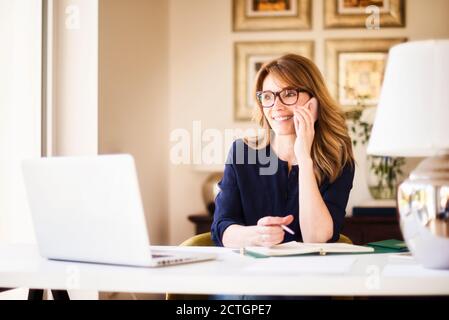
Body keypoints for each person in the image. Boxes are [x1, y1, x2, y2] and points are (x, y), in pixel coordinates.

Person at [210, 54, 355, 299]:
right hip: (248, 281)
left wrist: (304, 158)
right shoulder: (243, 153)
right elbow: (221, 228)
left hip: (307, 287)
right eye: (267, 97)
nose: (276, 106)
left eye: (288, 94)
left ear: (314, 101)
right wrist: (256, 235)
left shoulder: (337, 160)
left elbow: (317, 238)